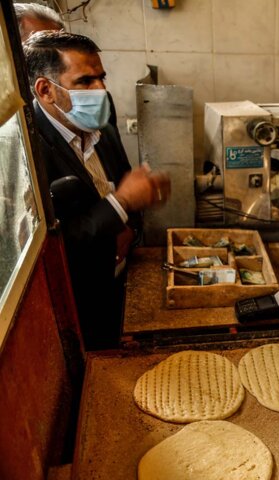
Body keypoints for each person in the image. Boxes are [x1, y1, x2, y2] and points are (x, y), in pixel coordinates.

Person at [24, 31, 171, 350]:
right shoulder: (29, 153)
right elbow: (53, 246)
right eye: (85, 81)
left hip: (120, 270)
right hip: (81, 298)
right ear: (46, 90)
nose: (101, 90)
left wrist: (130, 218)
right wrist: (121, 203)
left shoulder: (100, 123)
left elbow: (119, 178)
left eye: (101, 78)